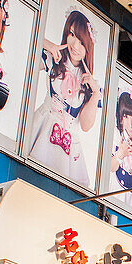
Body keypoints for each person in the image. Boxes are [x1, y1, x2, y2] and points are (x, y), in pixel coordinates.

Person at [29, 10, 103, 185]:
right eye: (72, 35)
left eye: (82, 42)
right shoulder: (54, 59)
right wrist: (49, 45)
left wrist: (95, 95)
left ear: (88, 47)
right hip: (43, 127)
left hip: (69, 144)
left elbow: (85, 126)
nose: (76, 45)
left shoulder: (91, 84)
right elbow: (29, 48)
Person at [110, 91, 132, 190]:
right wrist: (120, 153)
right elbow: (110, 167)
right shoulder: (116, 138)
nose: (131, 125)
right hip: (116, 193)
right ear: (121, 118)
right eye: (126, 117)